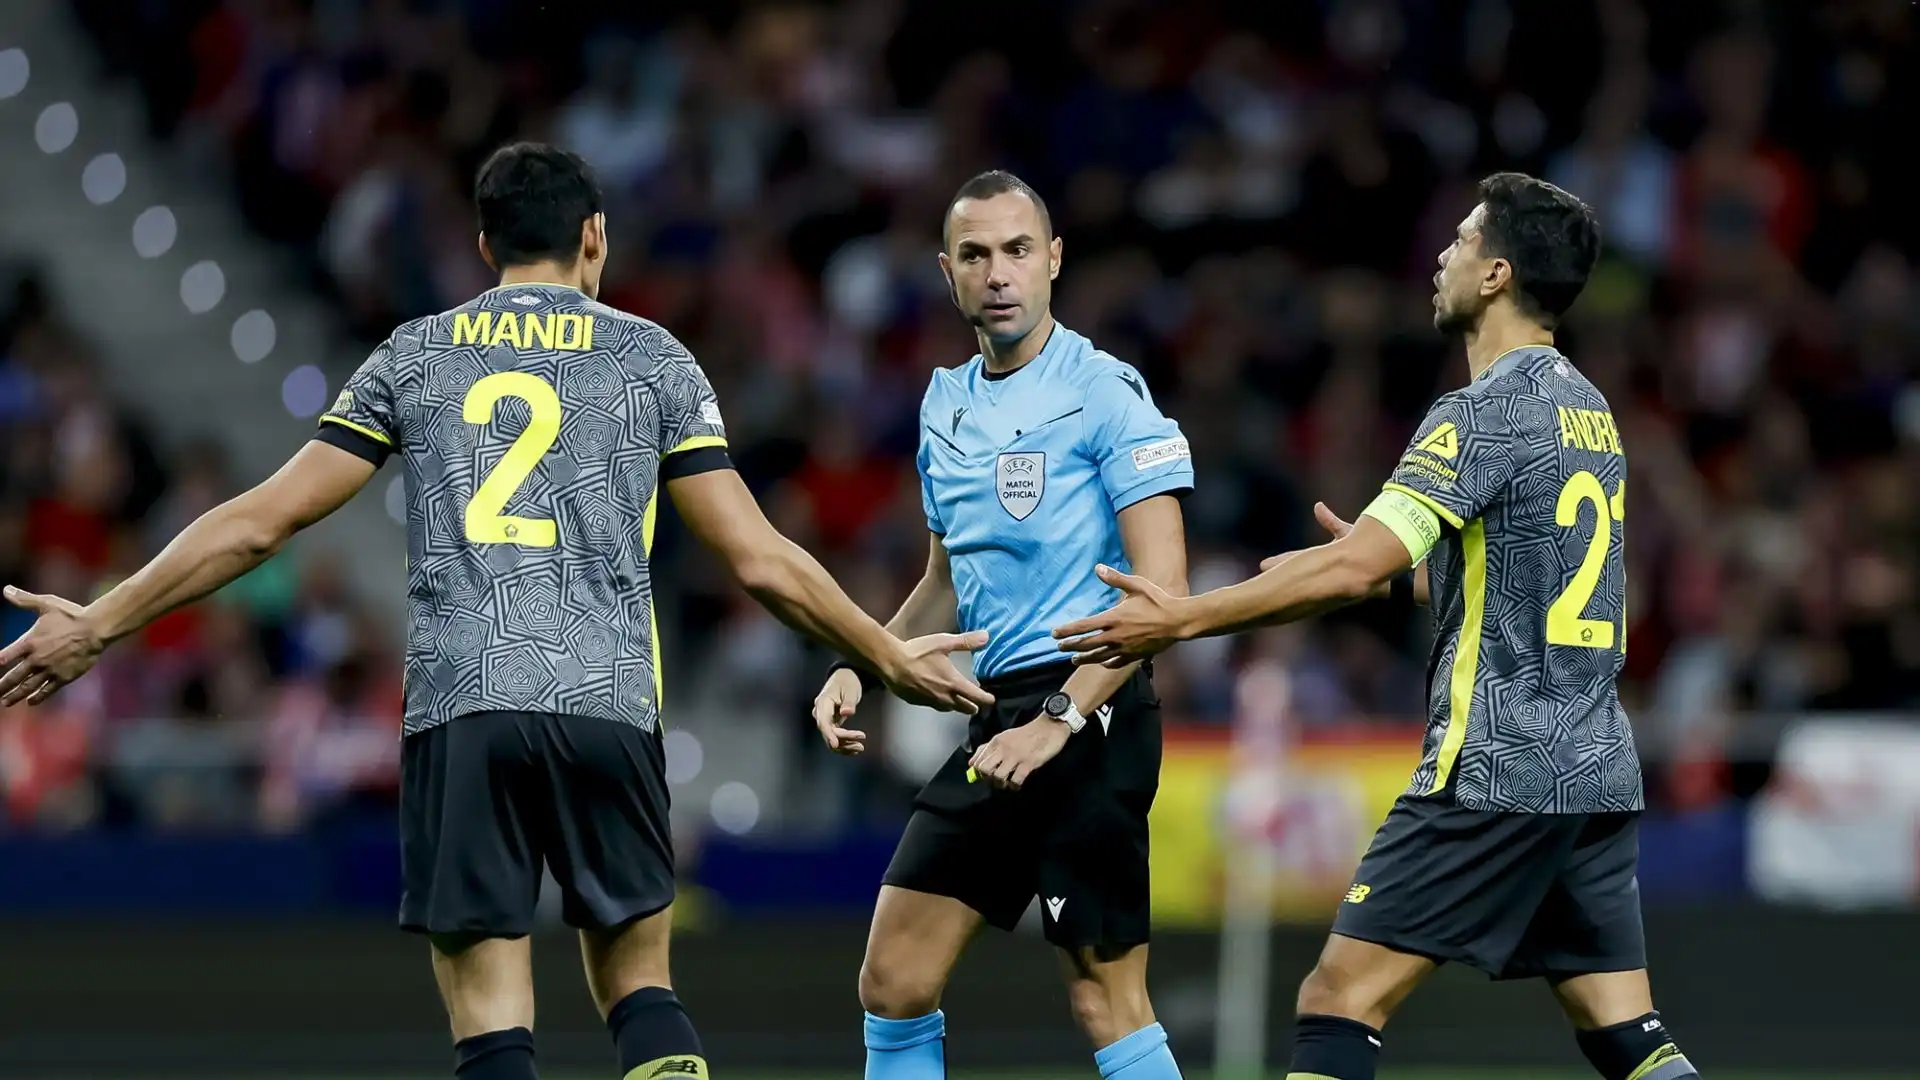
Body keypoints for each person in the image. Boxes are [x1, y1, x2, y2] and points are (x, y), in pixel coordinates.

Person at [0, 143, 994, 1080]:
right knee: (640, 982)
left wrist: (100, 619)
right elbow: (758, 558)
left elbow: (263, 522)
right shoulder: (653, 361)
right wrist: (883, 653)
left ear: (483, 247)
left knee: (489, 1013)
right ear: (594, 237)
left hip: (464, 703)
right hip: (607, 702)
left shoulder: (415, 355)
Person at [1054, 173, 1703, 1080]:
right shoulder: (1588, 411)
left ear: (1496, 276)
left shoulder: (1480, 412)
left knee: (1337, 999)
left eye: (1465, 240)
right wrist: (1381, 585)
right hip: (1592, 766)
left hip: (1494, 762)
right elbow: (1527, 582)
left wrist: (1183, 616)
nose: (1444, 254)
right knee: (1626, 1031)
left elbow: (1359, 557)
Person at [811, 170, 1193, 1080]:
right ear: (947, 273)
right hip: (997, 724)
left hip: (1090, 710)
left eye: (1018, 250)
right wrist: (861, 661)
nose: (999, 273)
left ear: (1054, 260)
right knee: (894, 977)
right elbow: (944, 579)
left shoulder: (1105, 391)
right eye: (976, 255)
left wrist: (1061, 716)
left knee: (1105, 997)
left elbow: (1166, 590)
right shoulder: (945, 405)